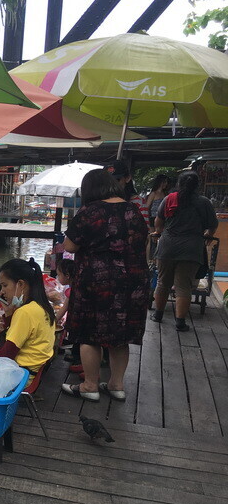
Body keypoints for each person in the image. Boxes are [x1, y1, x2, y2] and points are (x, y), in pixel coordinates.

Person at [61, 169, 149, 402]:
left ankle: (90, 385)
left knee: (89, 334)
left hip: (97, 282)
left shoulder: (90, 211)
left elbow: (69, 247)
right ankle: (116, 385)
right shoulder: (133, 209)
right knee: (120, 335)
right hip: (133, 282)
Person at [151, 171, 218, 331]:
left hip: (167, 246)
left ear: (179, 184)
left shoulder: (170, 199)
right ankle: (180, 322)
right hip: (191, 248)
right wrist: (208, 235)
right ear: (197, 186)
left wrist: (159, 232)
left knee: (162, 282)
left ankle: (158, 315)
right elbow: (213, 225)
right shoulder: (204, 202)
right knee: (184, 286)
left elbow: (158, 222)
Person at [106, 160, 148, 228]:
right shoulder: (97, 201)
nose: (112, 185)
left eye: (117, 180)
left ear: (127, 178)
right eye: (107, 181)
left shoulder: (138, 201)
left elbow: (145, 229)